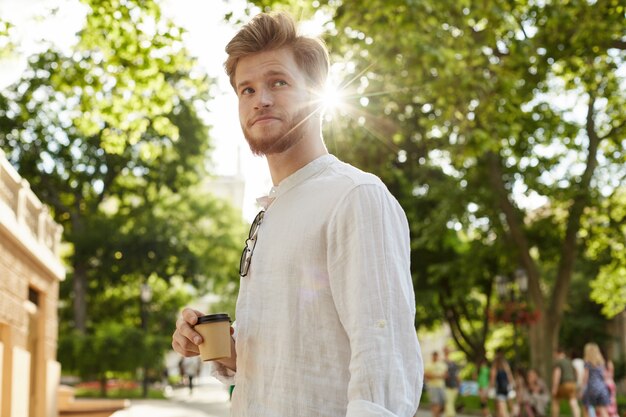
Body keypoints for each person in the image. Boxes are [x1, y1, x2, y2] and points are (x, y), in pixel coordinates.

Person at [171, 11, 423, 417]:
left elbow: (384, 365)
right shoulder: (271, 211)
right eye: (246, 90)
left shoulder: (355, 196)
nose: (261, 100)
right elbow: (297, 364)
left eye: (278, 82)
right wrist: (221, 348)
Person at [581, 343, 610, 417]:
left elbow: (585, 377)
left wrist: (581, 389)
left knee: (585, 408)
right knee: (603, 410)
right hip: (602, 388)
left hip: (591, 388)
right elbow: (605, 376)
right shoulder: (601, 363)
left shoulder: (588, 363)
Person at [551, 347, 581, 417]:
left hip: (563, 384)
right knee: (573, 402)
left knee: (555, 400)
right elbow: (576, 372)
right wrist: (576, 382)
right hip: (572, 383)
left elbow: (557, 374)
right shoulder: (569, 361)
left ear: (557, 353)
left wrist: (554, 387)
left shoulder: (558, 362)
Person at [490, 348, 515, 417]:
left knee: (501, 409)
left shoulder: (495, 364)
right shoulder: (505, 363)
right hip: (506, 387)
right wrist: (512, 384)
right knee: (505, 408)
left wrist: (490, 387)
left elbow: (493, 376)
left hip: (500, 389)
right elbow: (509, 374)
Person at [425, 351, 447, 417]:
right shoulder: (428, 364)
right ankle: (435, 415)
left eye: (436, 356)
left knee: (443, 403)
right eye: (434, 355)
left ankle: (437, 415)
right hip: (432, 386)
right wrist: (438, 376)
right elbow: (427, 375)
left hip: (441, 386)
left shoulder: (442, 364)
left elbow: (445, 375)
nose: (435, 357)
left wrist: (434, 375)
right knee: (435, 403)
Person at [443, 346, 461, 417]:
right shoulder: (442, 362)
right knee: (448, 402)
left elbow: (457, 375)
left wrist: (459, 385)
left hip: (454, 386)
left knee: (450, 403)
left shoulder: (453, 363)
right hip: (446, 386)